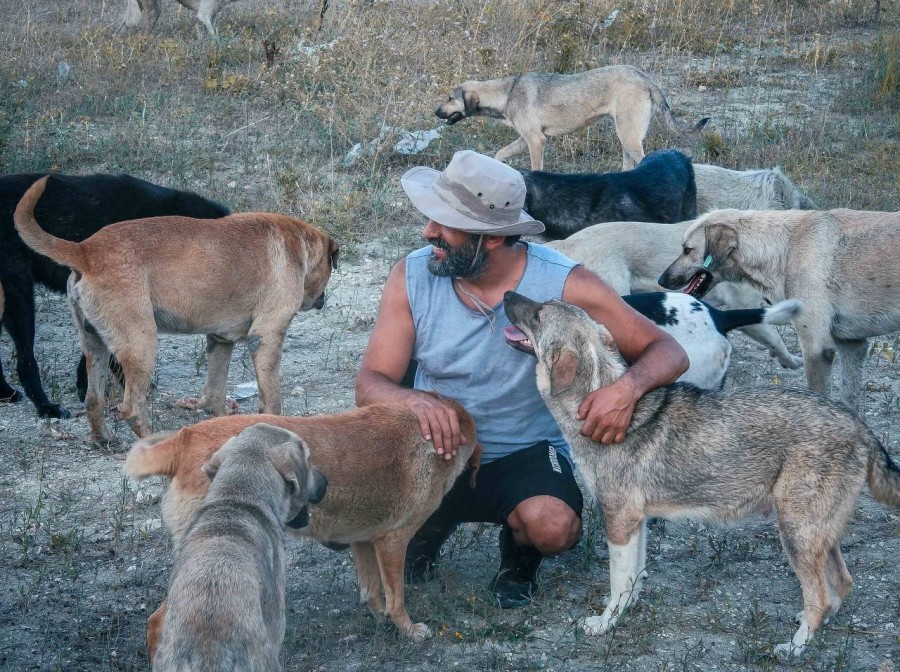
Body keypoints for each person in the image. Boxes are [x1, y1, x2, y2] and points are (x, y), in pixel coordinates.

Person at [355, 150, 688, 608]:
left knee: (554, 527)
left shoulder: (567, 283)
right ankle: (426, 527)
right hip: (436, 448)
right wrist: (415, 402)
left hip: (524, 451)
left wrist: (625, 390)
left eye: (443, 223)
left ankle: (519, 555)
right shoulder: (409, 276)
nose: (427, 232)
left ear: (490, 238)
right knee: (343, 502)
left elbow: (668, 351)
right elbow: (371, 381)